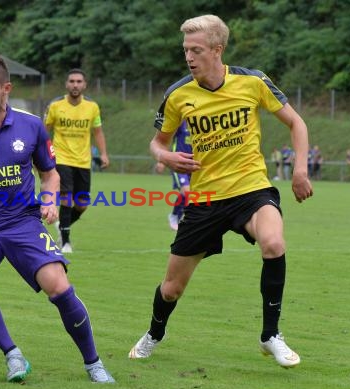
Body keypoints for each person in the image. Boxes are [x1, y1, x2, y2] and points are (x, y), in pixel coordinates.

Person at [128, 15, 313, 369]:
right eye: (185, 50)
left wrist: (300, 169)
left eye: (196, 50)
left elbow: (296, 123)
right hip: (204, 200)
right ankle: (154, 333)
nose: (189, 57)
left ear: (217, 50)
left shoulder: (252, 81)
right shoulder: (178, 93)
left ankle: (270, 335)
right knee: (171, 289)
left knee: (273, 243)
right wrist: (166, 157)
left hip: (251, 189)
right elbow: (157, 143)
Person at [0, 54, 114, 384]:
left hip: (23, 224)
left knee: (58, 286)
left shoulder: (31, 126)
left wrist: (49, 200)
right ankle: (13, 355)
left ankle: (94, 364)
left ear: (6, 89)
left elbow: (50, 174)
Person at [44, 69, 109, 254]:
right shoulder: (56, 106)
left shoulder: (92, 107)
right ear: (66, 84)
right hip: (62, 158)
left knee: (82, 204)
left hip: (83, 161)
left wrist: (103, 153)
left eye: (79, 81)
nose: (75, 84)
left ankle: (62, 226)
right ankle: (65, 243)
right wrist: (41, 153)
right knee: (66, 198)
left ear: (84, 84)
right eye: (72, 81)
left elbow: (98, 132)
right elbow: (44, 130)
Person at [155, 120, 192, 230]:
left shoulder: (200, 121)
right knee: (186, 191)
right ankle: (174, 216)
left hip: (194, 165)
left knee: (190, 195)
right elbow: (165, 140)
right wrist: (161, 161)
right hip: (179, 164)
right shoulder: (181, 123)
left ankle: (179, 218)